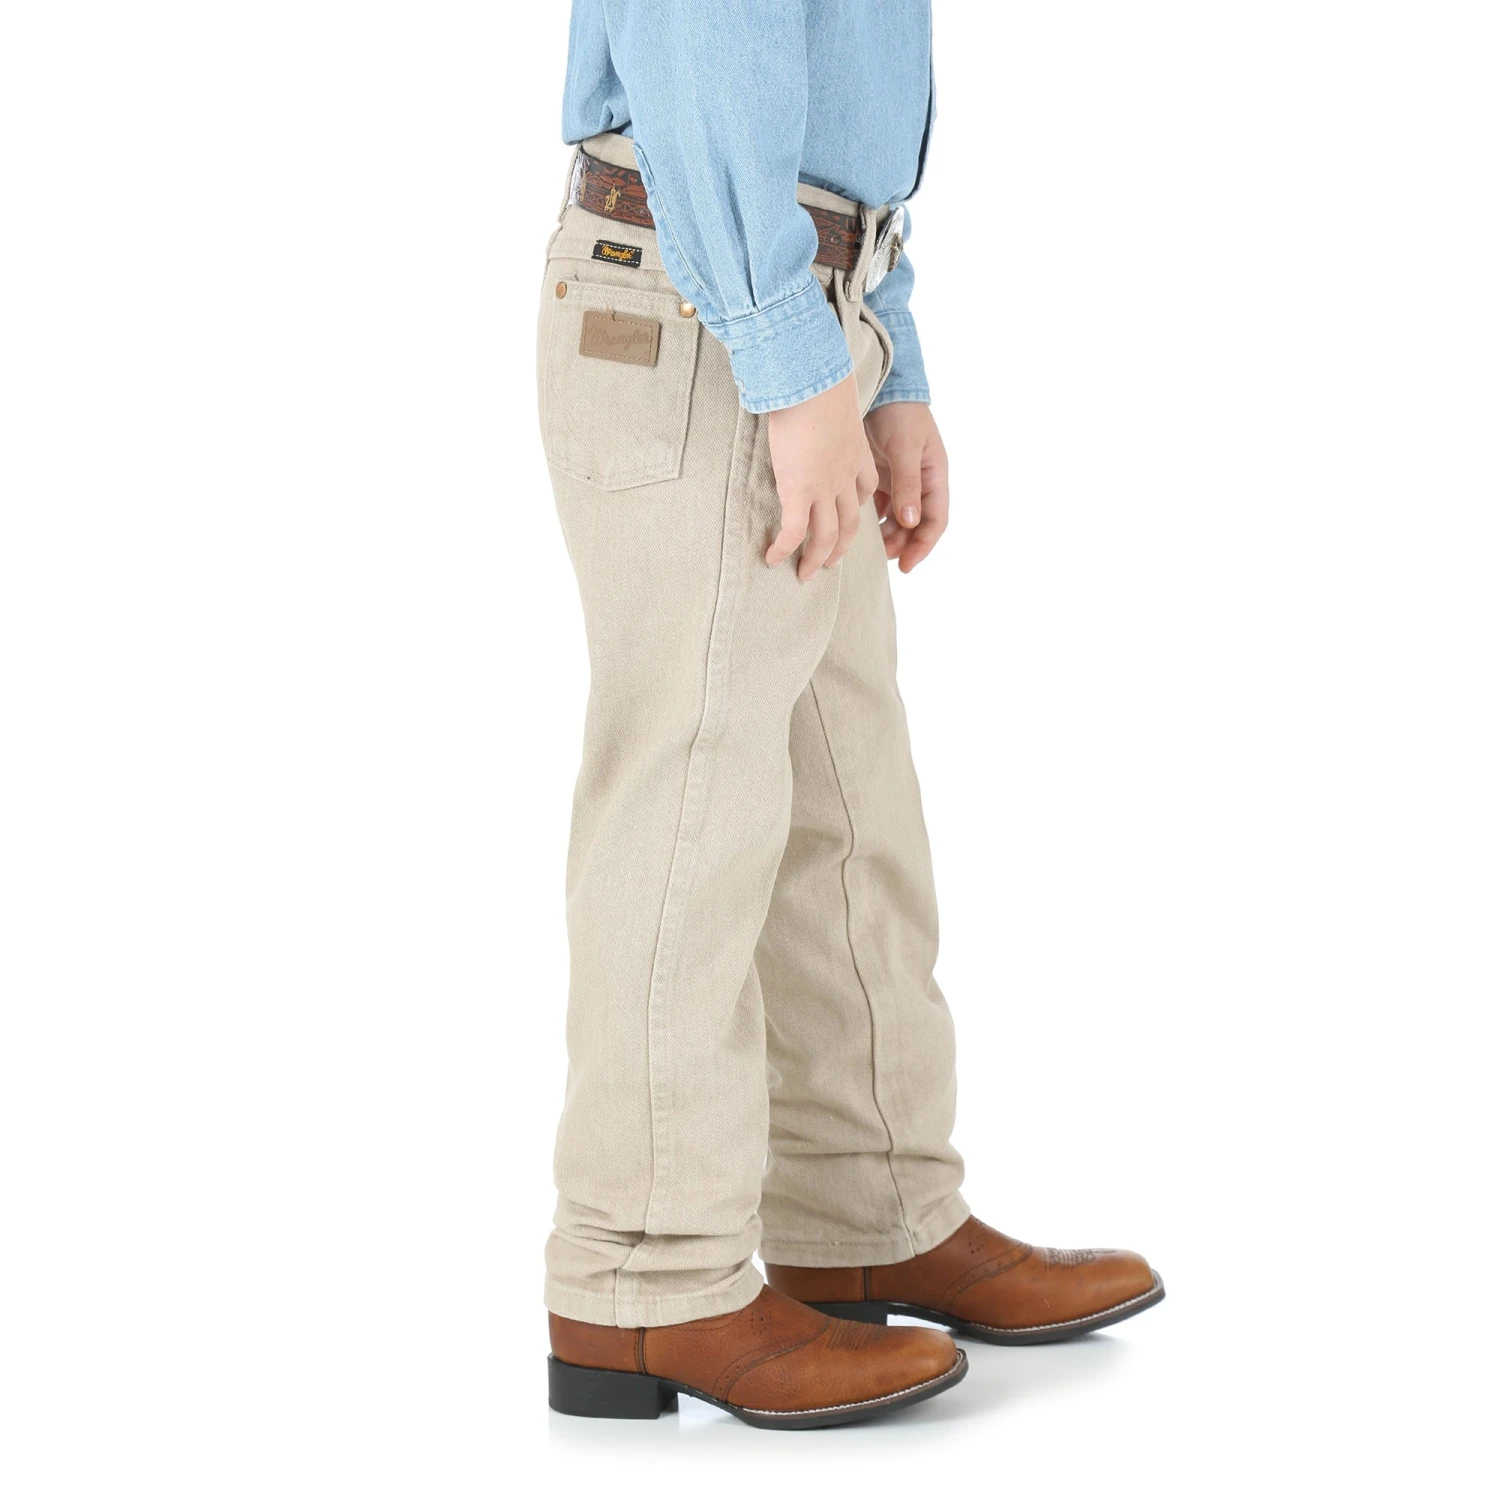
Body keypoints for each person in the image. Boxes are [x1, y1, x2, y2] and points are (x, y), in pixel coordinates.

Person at [539, 2, 1162, 1429]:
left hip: (799, 300)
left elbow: (834, 92)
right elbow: (704, 50)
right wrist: (784, 354)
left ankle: (866, 1207)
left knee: (844, 791)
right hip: (705, 303)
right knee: (690, 804)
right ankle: (642, 1274)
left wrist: (888, 356)